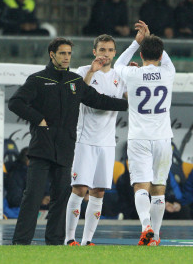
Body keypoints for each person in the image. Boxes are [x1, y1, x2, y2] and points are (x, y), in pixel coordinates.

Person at [8, 37, 128, 245]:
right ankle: (21, 241)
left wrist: (130, 104)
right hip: (41, 148)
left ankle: (55, 241)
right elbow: (15, 103)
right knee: (33, 196)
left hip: (65, 148)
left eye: (69, 53)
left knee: (61, 198)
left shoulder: (75, 81)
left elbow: (99, 100)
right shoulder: (38, 79)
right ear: (52, 54)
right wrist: (39, 119)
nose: (66, 57)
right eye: (62, 53)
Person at [114, 20, 175, 246]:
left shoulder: (131, 74)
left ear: (141, 55)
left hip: (139, 137)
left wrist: (136, 42)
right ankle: (156, 237)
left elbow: (117, 63)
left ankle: (145, 226)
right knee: (159, 187)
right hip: (162, 138)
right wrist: (150, 40)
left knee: (141, 185)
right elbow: (161, 57)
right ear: (160, 56)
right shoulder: (168, 73)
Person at [65, 34, 127, 246]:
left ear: (114, 53)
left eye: (110, 50)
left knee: (98, 192)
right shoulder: (83, 71)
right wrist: (92, 70)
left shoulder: (121, 76)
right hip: (85, 139)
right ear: (94, 51)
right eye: (102, 50)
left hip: (107, 142)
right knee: (79, 189)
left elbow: (128, 100)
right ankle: (69, 239)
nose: (106, 54)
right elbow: (78, 94)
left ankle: (87, 241)